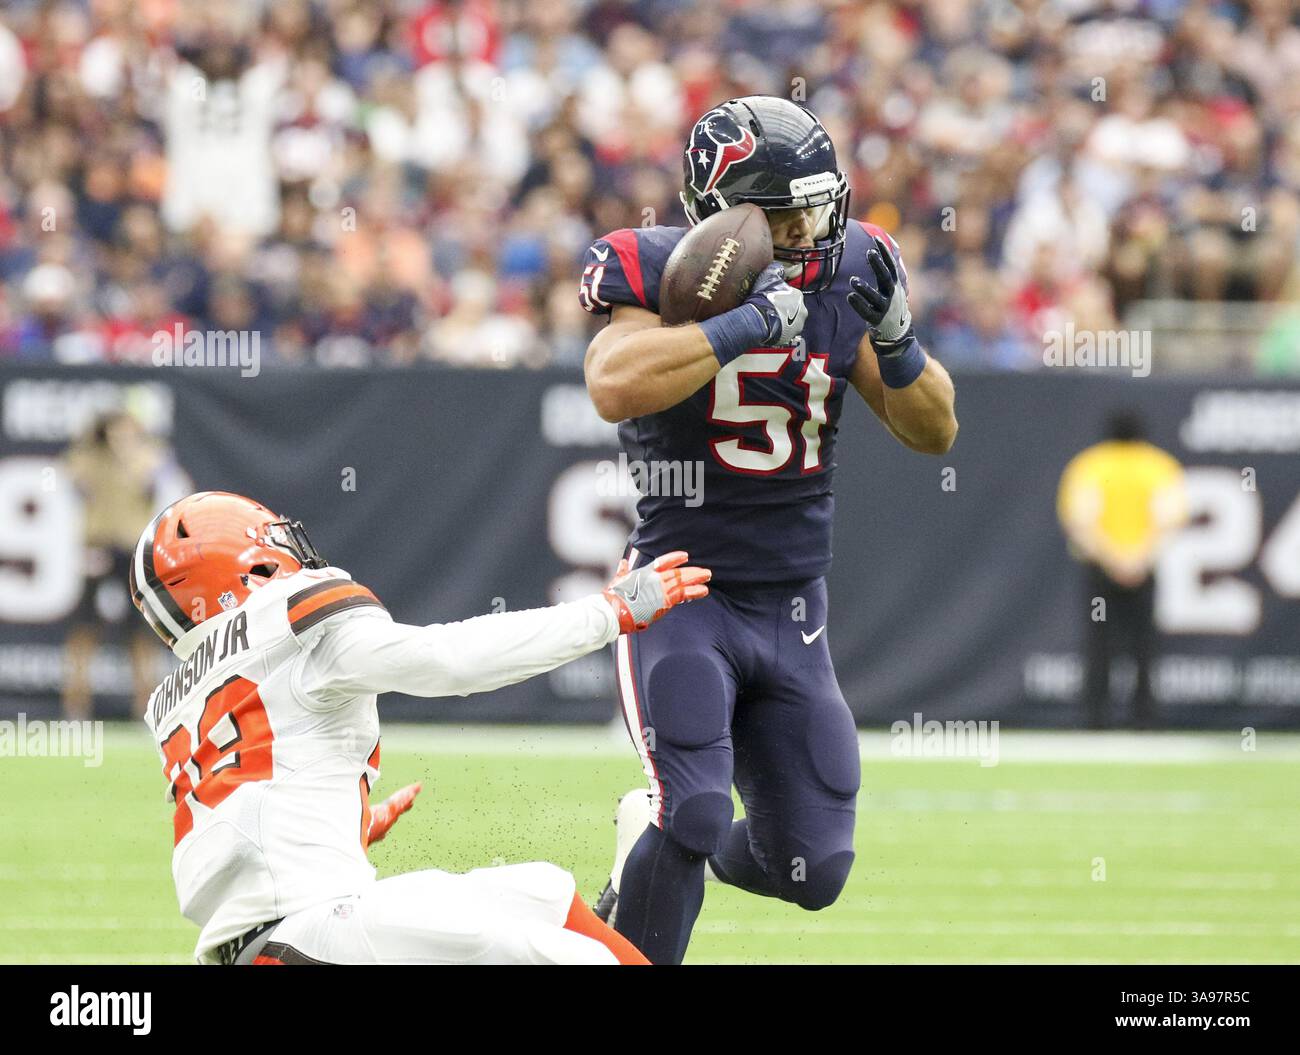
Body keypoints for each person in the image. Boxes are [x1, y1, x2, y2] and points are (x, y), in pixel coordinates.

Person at [579, 96, 958, 963]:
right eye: (786, 216)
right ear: (724, 213)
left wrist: (899, 344)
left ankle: (647, 846)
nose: (810, 232)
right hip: (682, 588)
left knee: (812, 865)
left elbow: (933, 428)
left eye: (818, 209)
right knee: (697, 809)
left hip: (794, 607)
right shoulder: (654, 266)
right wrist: (743, 322)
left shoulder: (851, 266)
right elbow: (612, 382)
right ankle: (647, 875)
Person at [131, 490, 709, 964]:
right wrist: (606, 613)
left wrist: (340, 828)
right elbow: (448, 659)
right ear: (245, 565)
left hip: (270, 942)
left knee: (542, 889)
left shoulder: (175, 698)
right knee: (571, 959)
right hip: (310, 936)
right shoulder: (285, 617)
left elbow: (232, 838)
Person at [1057, 411, 1187, 728]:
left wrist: (1113, 559)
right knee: (1143, 644)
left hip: (1100, 569)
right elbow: (1169, 519)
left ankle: (1094, 719)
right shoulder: (1157, 465)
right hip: (1143, 567)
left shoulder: (1090, 464)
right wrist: (1137, 558)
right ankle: (1145, 718)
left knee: (1099, 643)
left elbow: (1081, 520)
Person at [63, 411, 169, 719]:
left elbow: (153, 481)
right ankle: (76, 703)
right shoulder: (91, 458)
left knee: (140, 630)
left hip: (132, 551)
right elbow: (71, 474)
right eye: (114, 431)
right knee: (83, 627)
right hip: (97, 547)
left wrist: (130, 454)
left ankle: (145, 705)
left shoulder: (149, 456)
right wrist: (93, 440)